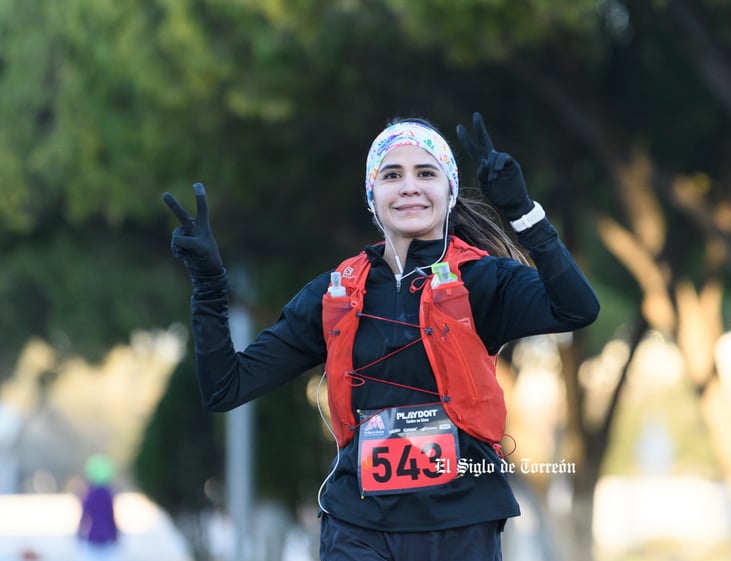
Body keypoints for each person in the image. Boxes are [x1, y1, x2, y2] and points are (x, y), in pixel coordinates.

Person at [162, 112, 599, 560]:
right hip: (357, 526)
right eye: (392, 175)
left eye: (426, 173)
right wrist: (210, 286)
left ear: (449, 192)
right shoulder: (336, 291)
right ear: (372, 196)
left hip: (461, 524)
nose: (409, 186)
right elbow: (225, 387)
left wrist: (523, 213)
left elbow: (577, 308)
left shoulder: (482, 280)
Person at [77, 454, 119, 561]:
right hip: (107, 536)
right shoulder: (108, 494)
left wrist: (80, 530)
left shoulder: (90, 494)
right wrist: (115, 533)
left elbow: (85, 513)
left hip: (93, 536)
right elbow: (111, 515)